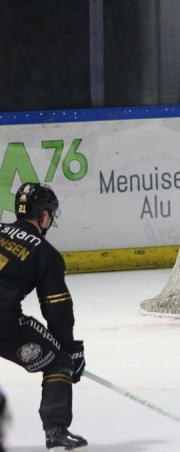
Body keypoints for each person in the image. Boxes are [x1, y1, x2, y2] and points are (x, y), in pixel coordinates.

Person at [0, 183, 87, 450]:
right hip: (2, 323)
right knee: (57, 361)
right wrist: (70, 351)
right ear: (45, 217)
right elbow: (57, 309)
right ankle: (56, 433)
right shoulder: (45, 252)